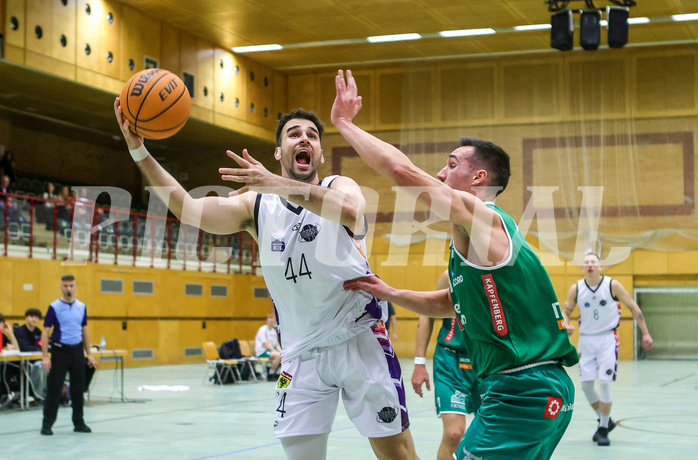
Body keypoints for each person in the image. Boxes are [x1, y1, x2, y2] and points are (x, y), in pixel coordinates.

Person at [114, 99, 418, 460]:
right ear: (279, 152)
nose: (304, 139)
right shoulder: (256, 206)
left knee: (398, 456)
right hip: (300, 353)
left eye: (312, 136)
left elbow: (349, 210)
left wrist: (274, 183)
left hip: (358, 339)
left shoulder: (341, 185)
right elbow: (187, 209)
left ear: (320, 155)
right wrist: (138, 150)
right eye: (294, 134)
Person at [335, 69, 579, 460]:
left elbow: (402, 172)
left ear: (479, 177)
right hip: (540, 388)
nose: (439, 173)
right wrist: (391, 292)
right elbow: (452, 303)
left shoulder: (482, 215)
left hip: (522, 387)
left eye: (451, 164)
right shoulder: (482, 239)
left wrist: (344, 124)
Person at [562, 252, 653, 446]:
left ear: (600, 265)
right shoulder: (576, 288)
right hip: (586, 340)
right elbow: (566, 312)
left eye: (593, 262)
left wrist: (645, 332)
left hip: (607, 339)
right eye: (586, 262)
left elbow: (633, 307)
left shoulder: (612, 285)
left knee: (604, 382)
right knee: (586, 385)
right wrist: (565, 327)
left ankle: (603, 428)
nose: (589, 265)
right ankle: (605, 419)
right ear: (582, 267)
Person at [411, 271, 481, 460]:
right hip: (450, 362)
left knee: (489, 435)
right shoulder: (449, 275)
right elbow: (427, 313)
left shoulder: (501, 274)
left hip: (485, 361)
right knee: (454, 434)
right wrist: (419, 362)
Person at [40, 274, 99, 436]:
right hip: (60, 352)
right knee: (54, 388)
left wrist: (89, 353)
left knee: (78, 388)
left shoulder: (81, 306)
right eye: (65, 286)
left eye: (71, 286)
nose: (68, 289)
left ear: (75, 286)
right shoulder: (54, 307)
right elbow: (45, 332)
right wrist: (46, 356)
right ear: (61, 287)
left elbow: (84, 330)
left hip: (77, 351)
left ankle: (79, 423)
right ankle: (47, 425)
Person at [13, 308, 46, 405]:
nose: (34, 319)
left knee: (48, 368)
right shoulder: (19, 331)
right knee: (39, 369)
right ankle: (38, 396)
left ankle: (46, 394)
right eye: (32, 317)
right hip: (23, 362)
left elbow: (44, 344)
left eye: (36, 317)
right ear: (26, 318)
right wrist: (37, 349)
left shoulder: (38, 331)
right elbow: (23, 347)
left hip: (37, 359)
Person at [255, 313, 282, 380]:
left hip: (270, 351)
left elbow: (277, 344)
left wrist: (281, 351)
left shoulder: (273, 331)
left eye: (273, 322)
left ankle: (278, 373)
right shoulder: (263, 330)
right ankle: (270, 374)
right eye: (270, 322)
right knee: (278, 355)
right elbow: (266, 345)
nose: (271, 323)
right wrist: (277, 352)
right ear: (266, 321)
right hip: (262, 351)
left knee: (283, 355)